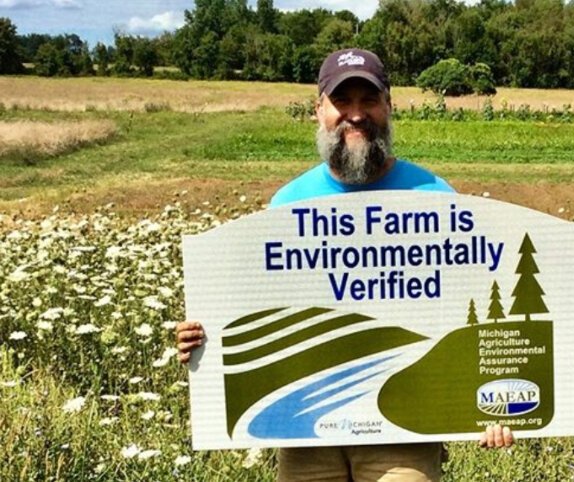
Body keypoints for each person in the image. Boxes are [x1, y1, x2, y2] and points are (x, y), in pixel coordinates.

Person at [176, 48, 514, 482]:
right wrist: (201, 341)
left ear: (388, 107)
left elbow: (474, 306)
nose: (356, 115)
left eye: (368, 100)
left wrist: (491, 401)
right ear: (319, 110)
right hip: (305, 433)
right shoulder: (286, 206)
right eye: (342, 101)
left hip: (404, 433)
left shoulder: (435, 196)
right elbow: (258, 311)